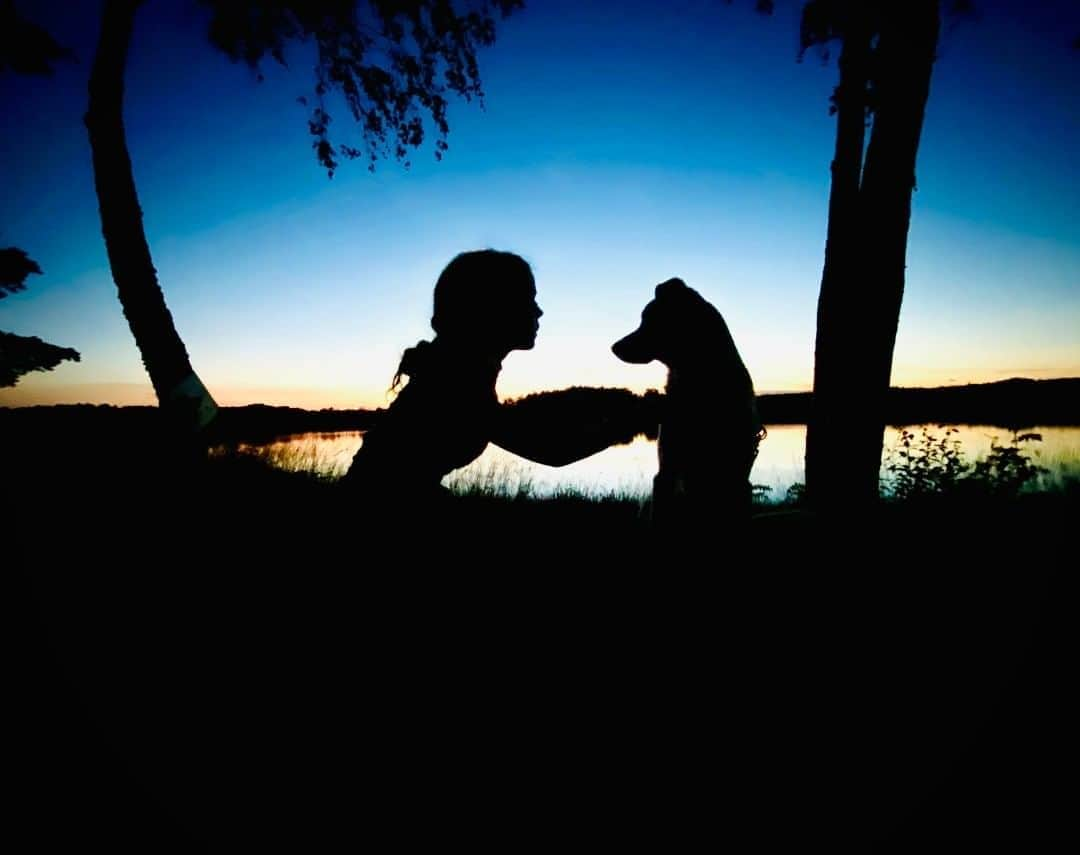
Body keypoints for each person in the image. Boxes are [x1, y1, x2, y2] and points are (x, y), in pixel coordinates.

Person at [339, 250, 634, 508]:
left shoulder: (457, 369)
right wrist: (630, 422)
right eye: (528, 299)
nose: (538, 310)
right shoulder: (455, 380)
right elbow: (551, 450)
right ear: (492, 307)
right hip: (374, 513)